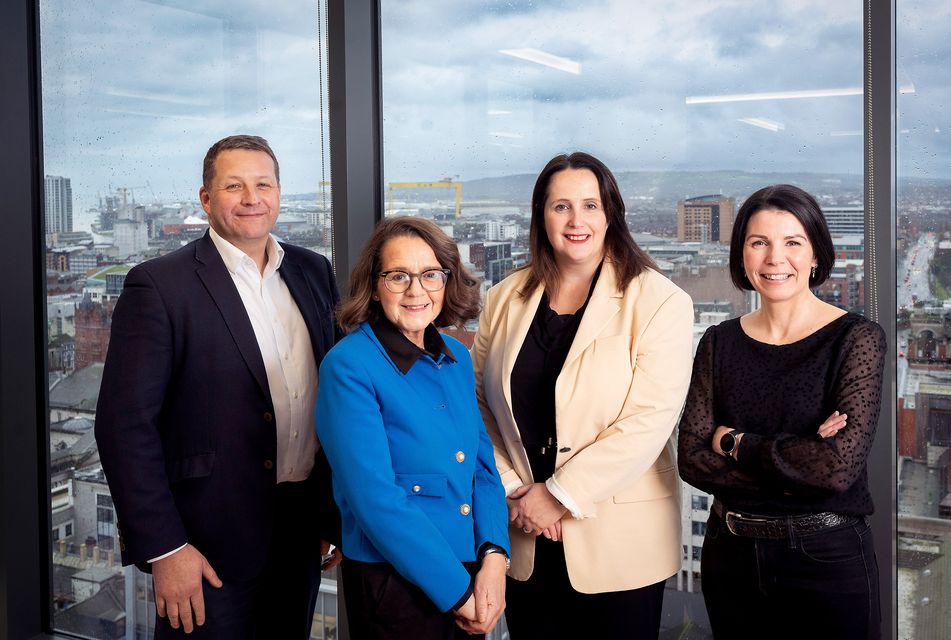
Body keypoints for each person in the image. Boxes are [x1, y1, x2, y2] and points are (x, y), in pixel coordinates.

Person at [95, 134, 342, 639]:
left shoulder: (313, 271)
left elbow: (334, 398)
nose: (252, 198)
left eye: (263, 184)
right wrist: (165, 548)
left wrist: (329, 515)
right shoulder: (159, 285)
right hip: (204, 544)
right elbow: (125, 427)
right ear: (206, 199)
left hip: (299, 530)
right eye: (234, 186)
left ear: (278, 193)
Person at [471, 152, 694, 638]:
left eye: (590, 206)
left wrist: (558, 496)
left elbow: (648, 422)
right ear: (540, 215)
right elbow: (477, 403)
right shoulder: (504, 297)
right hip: (525, 531)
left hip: (619, 546)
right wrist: (515, 491)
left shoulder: (660, 301)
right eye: (561, 207)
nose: (577, 221)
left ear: (610, 213)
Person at [677, 184, 885, 639]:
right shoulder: (718, 342)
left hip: (827, 559)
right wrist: (799, 460)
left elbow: (835, 470)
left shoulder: (856, 340)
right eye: (759, 242)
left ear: (815, 254)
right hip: (729, 556)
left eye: (793, 242)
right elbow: (691, 457)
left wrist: (733, 442)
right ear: (742, 255)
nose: (775, 258)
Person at [315, 216, 510, 639]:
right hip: (394, 583)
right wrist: (458, 593)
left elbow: (482, 468)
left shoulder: (457, 358)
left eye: (430, 275)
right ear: (374, 283)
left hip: (471, 568)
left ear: (448, 280)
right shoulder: (349, 367)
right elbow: (375, 500)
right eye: (398, 276)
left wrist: (495, 556)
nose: (416, 291)